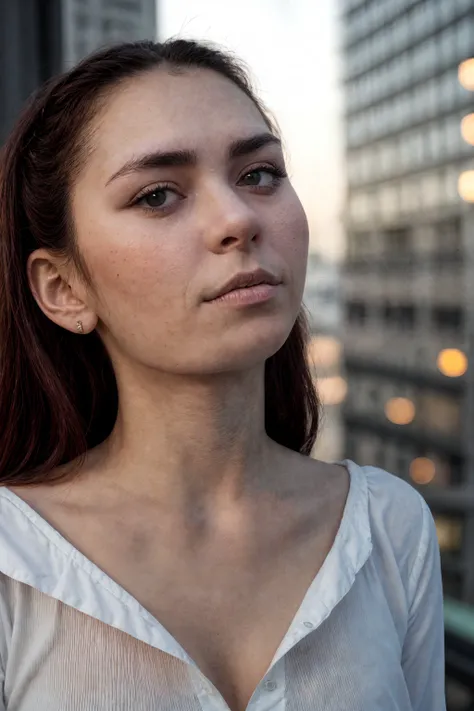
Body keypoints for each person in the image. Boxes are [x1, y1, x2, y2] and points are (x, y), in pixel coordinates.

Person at [0, 39, 445, 711]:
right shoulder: (13, 560)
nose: (238, 218)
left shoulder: (388, 525)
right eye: (157, 195)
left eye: (259, 174)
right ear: (64, 287)